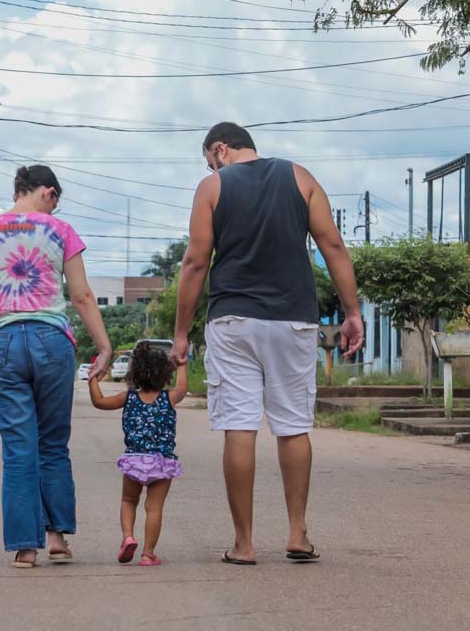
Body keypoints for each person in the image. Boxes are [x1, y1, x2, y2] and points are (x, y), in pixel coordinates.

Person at [172, 122, 364, 565]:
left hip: (233, 321)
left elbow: (196, 263)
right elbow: (332, 244)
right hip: (292, 321)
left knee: (240, 425)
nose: (210, 166)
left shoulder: (212, 187)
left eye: (209, 159)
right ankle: (297, 534)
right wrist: (352, 312)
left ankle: (243, 544)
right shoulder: (301, 177)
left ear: (219, 149)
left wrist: (181, 333)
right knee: (292, 425)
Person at [0, 165, 112, 569]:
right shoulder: (61, 231)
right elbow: (81, 295)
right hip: (51, 341)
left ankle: (25, 548)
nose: (55, 208)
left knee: (18, 449)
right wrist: (104, 346)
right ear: (47, 192)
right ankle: (57, 537)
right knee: (52, 443)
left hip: (4, 342)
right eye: (55, 200)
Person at [89, 341, 188, 567]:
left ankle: (128, 537)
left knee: (128, 500)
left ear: (134, 373)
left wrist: (93, 377)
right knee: (154, 508)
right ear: (165, 374)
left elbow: (99, 402)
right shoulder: (169, 398)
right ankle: (148, 554)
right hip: (162, 462)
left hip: (134, 460)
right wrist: (182, 364)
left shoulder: (129, 398)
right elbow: (182, 387)